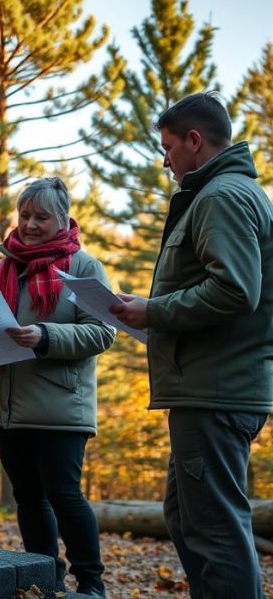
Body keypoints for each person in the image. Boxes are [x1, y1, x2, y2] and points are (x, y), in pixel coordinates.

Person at [111, 92, 273, 598]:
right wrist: (150, 306)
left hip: (216, 393)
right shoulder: (224, 194)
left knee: (217, 534)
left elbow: (235, 290)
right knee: (184, 517)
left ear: (194, 141)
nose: (164, 161)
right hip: (206, 391)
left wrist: (153, 311)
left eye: (167, 147)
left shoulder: (221, 196)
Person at [0, 177, 115, 597]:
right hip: (7, 406)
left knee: (63, 494)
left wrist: (44, 336)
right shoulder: (1, 268)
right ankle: (44, 578)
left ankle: (91, 584)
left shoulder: (83, 267)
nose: (29, 224)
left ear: (62, 220)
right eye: (25, 215)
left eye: (41, 217)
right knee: (28, 498)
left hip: (60, 407)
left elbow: (102, 333)